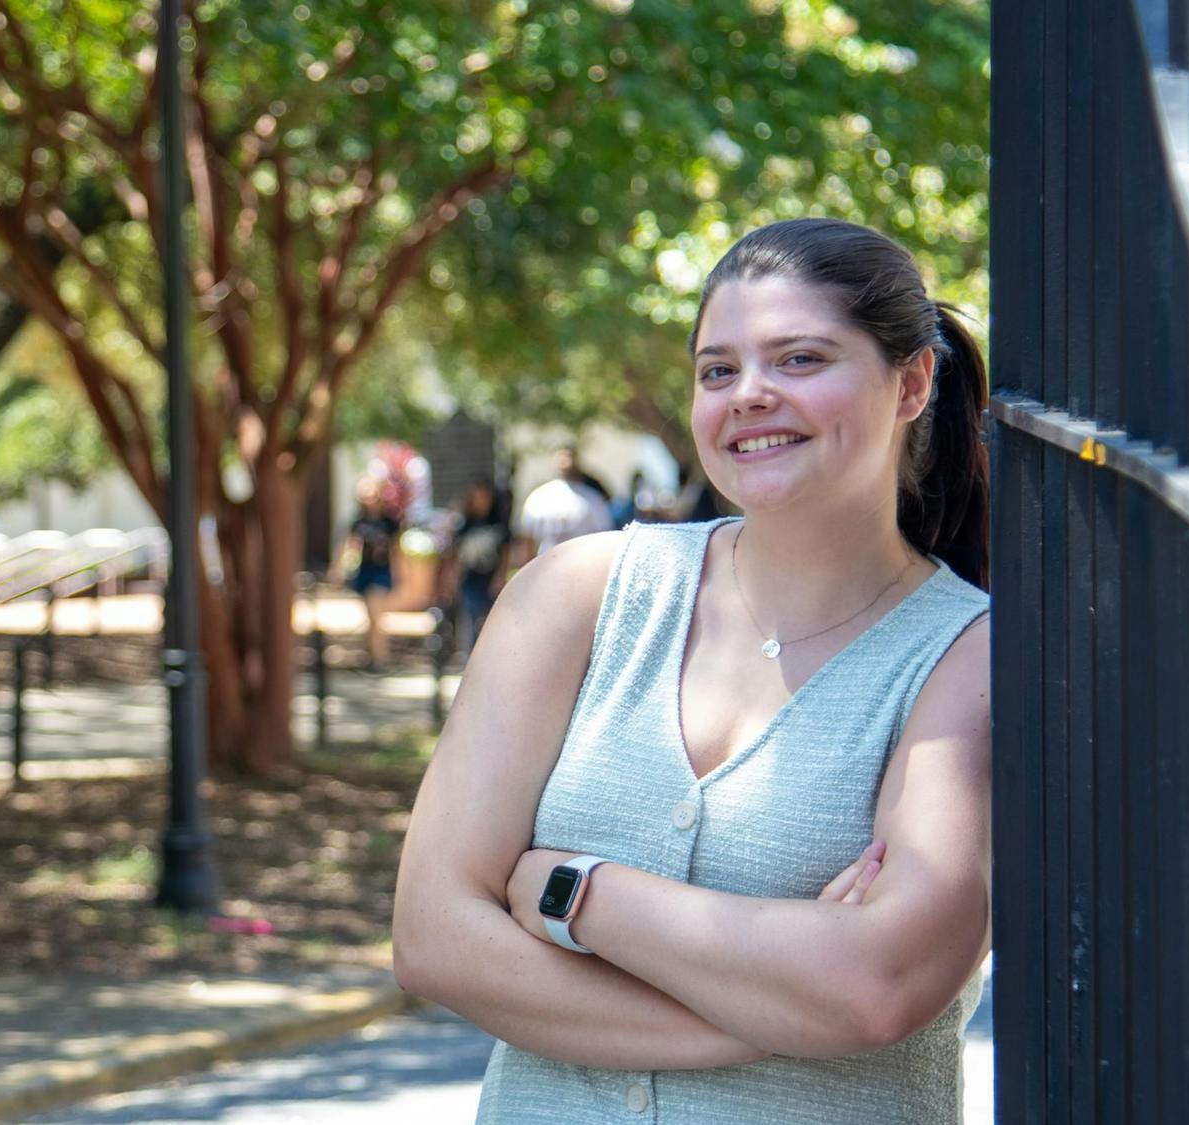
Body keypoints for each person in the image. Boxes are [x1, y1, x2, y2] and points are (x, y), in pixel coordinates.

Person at [393, 218, 991, 1123]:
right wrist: (777, 1008)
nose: (749, 394)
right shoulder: (574, 598)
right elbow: (435, 938)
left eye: (799, 359)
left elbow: (879, 983)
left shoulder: (969, 652)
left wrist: (576, 890)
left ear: (911, 382)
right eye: (719, 370)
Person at [444, 476, 512, 659]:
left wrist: (500, 577)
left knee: (492, 620)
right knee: (470, 618)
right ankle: (471, 658)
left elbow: (506, 552)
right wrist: (452, 579)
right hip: (471, 578)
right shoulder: (464, 523)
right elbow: (456, 554)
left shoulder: (499, 523)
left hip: (491, 578)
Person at [337, 475, 400, 670]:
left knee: (375, 611)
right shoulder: (358, 522)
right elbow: (349, 545)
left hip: (382, 571)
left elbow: (397, 550)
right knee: (371, 616)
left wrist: (400, 574)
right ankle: (373, 654)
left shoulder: (389, 522)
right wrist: (339, 568)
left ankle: (379, 659)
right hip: (364, 571)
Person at [512, 446, 615, 563]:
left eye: (568, 457)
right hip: (546, 568)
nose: (565, 461)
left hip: (582, 566)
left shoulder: (591, 498)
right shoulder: (538, 497)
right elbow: (527, 541)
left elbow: (604, 537)